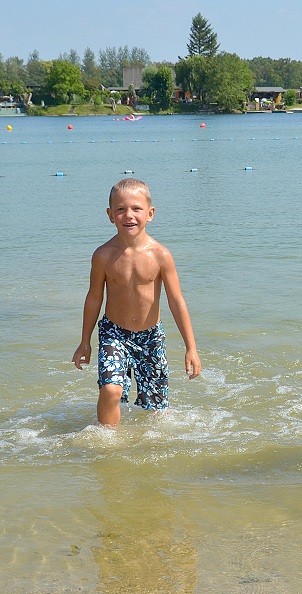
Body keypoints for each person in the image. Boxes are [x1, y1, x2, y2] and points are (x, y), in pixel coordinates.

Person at [72, 178, 201, 426]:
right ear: (110, 215)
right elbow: (94, 298)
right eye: (120, 209)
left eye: (136, 209)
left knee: (157, 409)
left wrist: (191, 347)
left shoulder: (161, 255)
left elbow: (176, 301)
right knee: (111, 391)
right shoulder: (103, 255)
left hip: (151, 336)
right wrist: (85, 341)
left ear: (150, 214)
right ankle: (107, 442)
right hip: (114, 333)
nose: (128, 215)